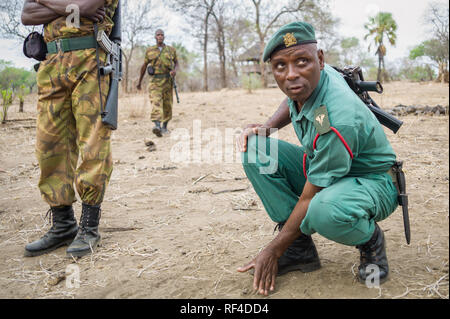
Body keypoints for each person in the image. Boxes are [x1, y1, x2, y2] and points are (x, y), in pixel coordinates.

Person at [237, 21, 399, 295]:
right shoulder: (308, 82)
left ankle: (370, 241)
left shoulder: (339, 116)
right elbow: (292, 98)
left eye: (302, 62)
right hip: (326, 166)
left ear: (320, 59)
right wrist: (265, 128)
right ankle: (300, 249)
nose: (291, 75)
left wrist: (273, 250)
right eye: (280, 66)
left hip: (372, 181)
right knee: (255, 148)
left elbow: (310, 197)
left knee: (322, 210)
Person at [21, 0, 119, 258]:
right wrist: (71, 6)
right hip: (51, 63)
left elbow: (89, 6)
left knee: (93, 144)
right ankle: (63, 224)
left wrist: (46, 3)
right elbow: (27, 15)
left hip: (90, 61)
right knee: (49, 146)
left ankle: (89, 227)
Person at [137, 29, 179, 137]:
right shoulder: (150, 50)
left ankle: (164, 127)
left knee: (167, 105)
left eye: (162, 35)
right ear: (155, 37)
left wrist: (175, 70)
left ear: (164, 37)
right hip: (155, 81)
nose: (160, 36)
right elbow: (144, 66)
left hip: (167, 81)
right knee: (156, 102)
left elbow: (176, 62)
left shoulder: (171, 50)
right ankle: (157, 126)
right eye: (158, 35)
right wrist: (139, 82)